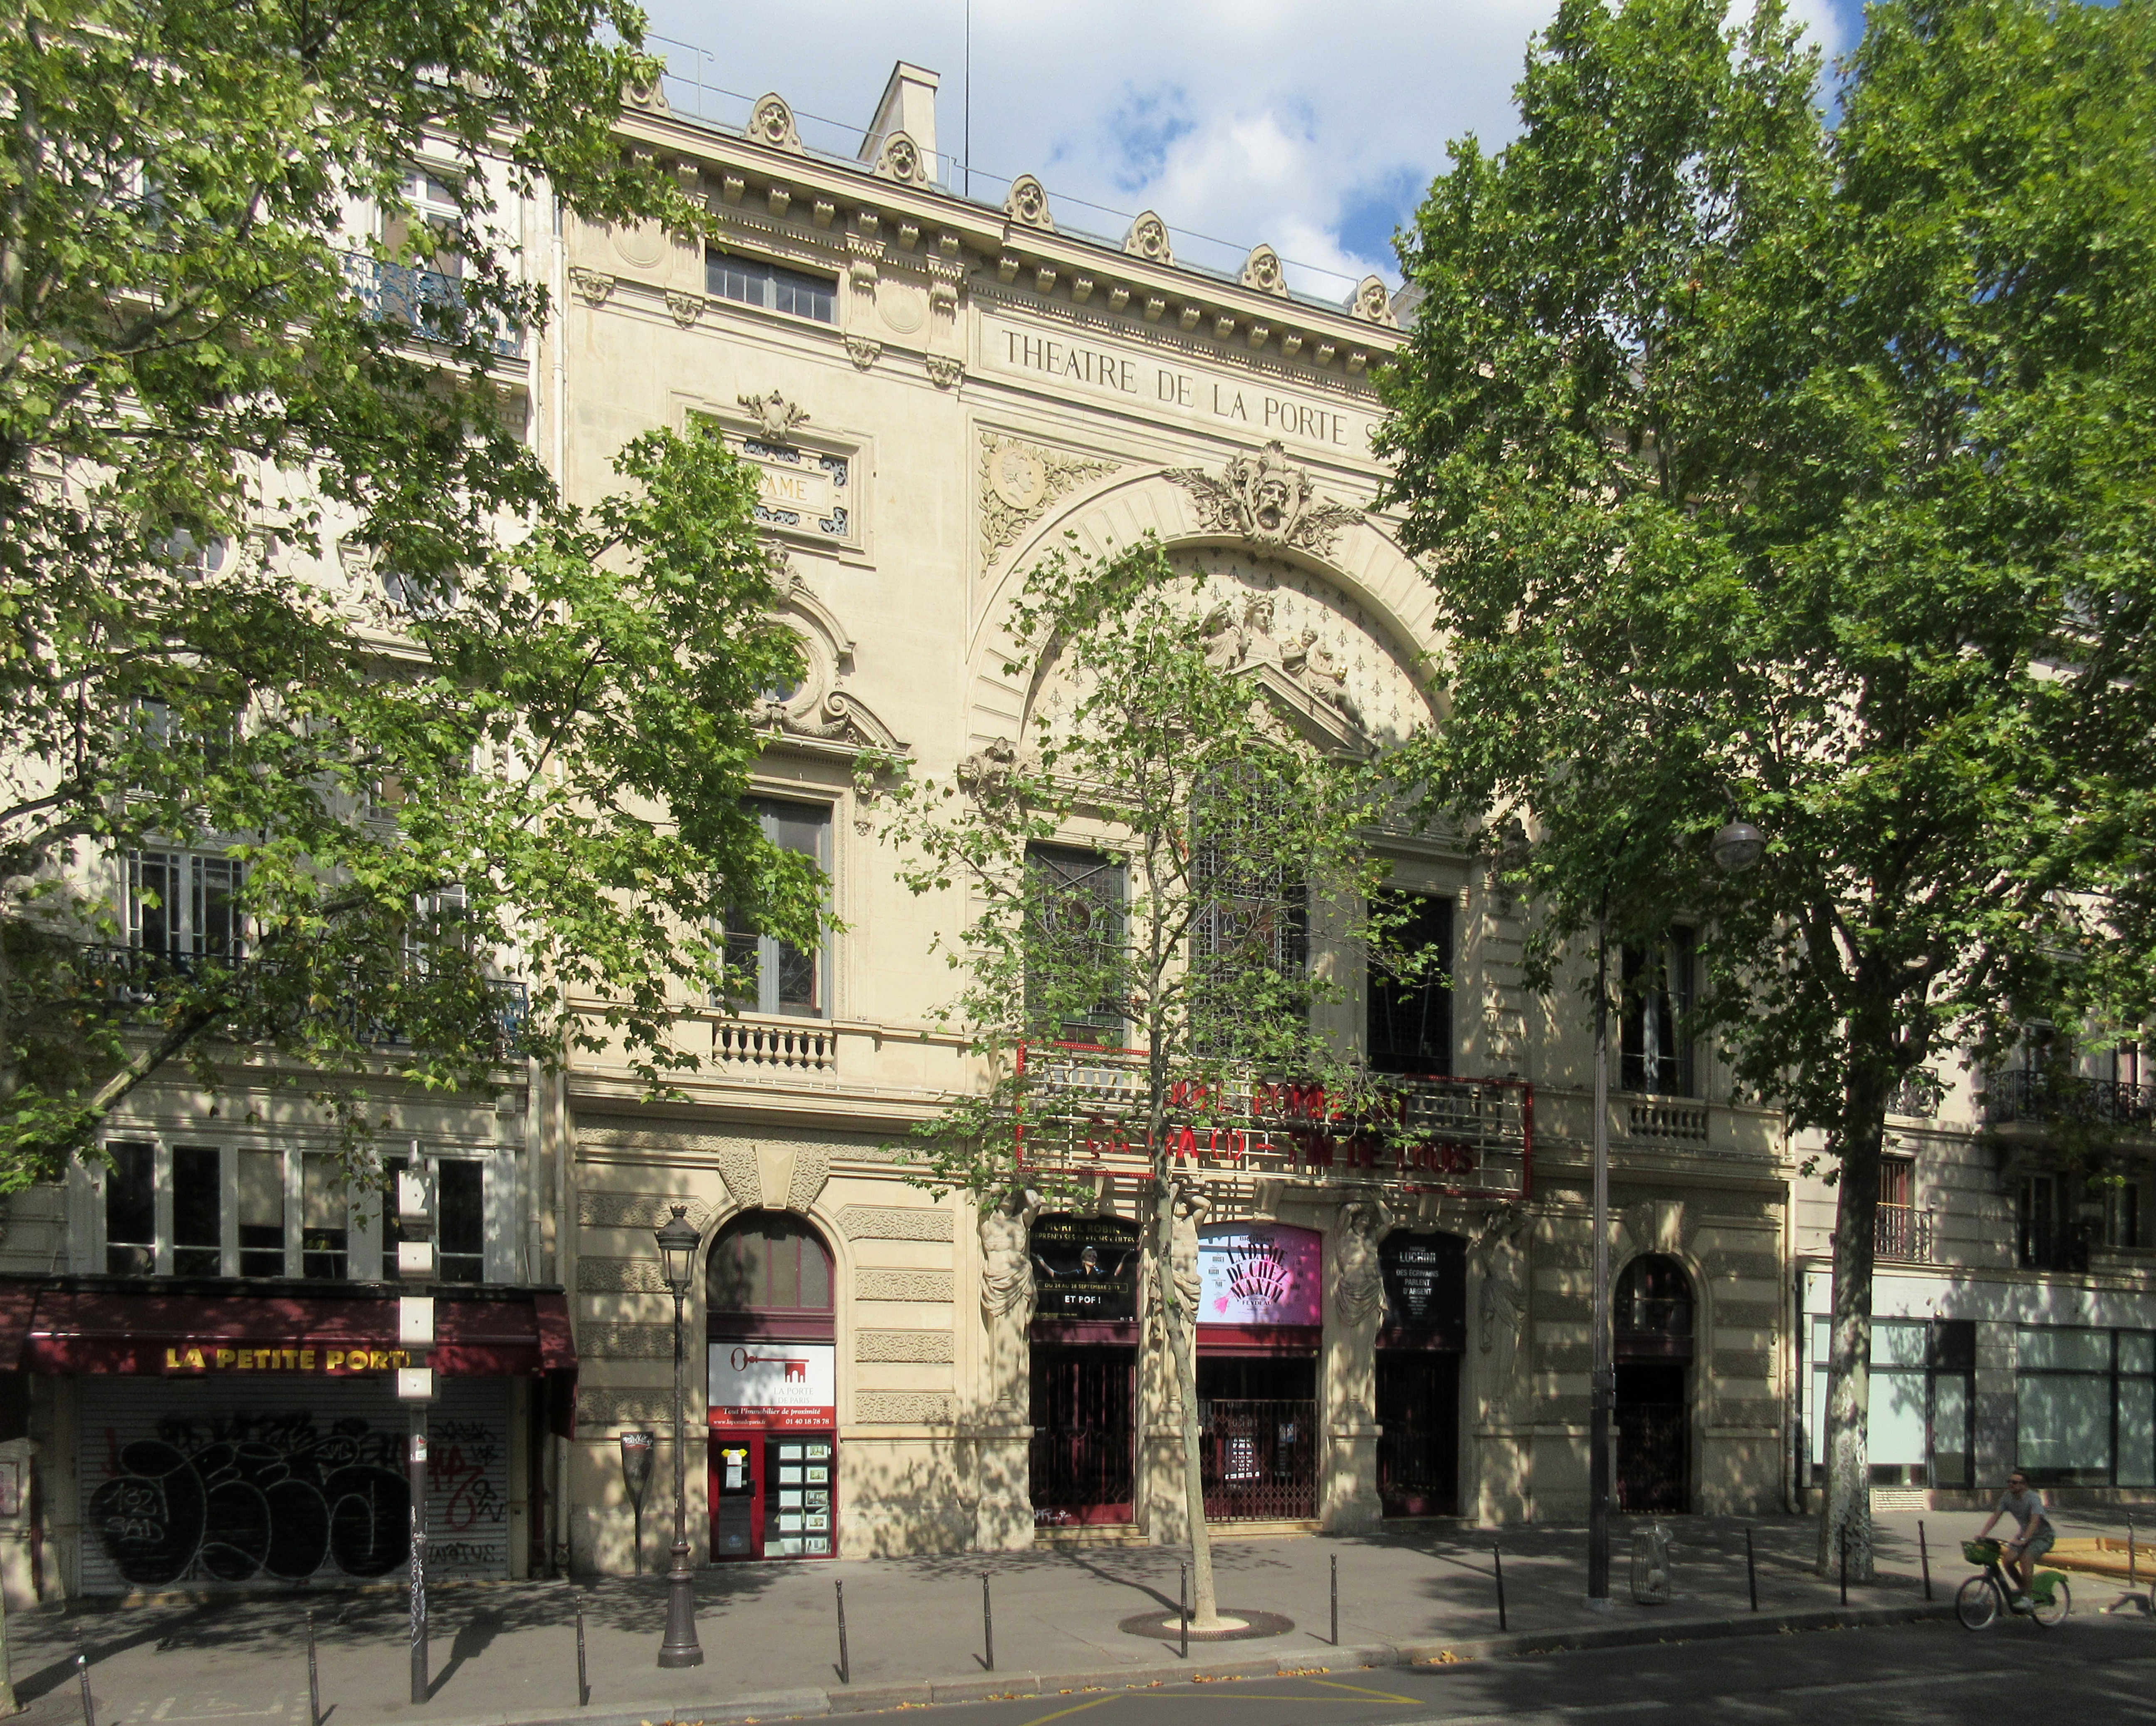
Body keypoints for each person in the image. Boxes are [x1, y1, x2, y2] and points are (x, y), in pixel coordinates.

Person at [1976, 1470, 2055, 1605]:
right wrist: (1983, 1534)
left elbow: (2034, 1522)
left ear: (2024, 1485)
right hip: (2024, 1535)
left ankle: (2028, 1599)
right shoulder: (2007, 1497)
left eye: (2015, 1482)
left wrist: (2024, 1540)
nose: (2011, 1485)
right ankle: (2024, 1589)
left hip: (2043, 1537)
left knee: (2026, 1559)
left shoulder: (2033, 1498)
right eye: (2009, 1482)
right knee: (2007, 1561)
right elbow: (1996, 1516)